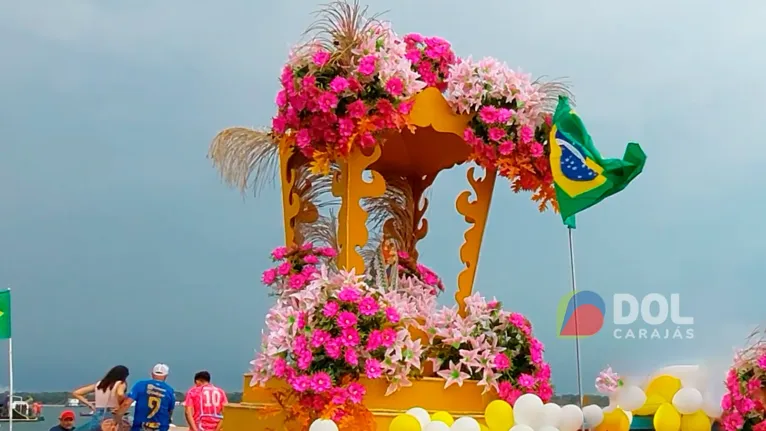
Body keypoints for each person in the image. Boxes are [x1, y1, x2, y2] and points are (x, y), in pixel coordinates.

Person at [72, 365, 131, 431]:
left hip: (97, 414)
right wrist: (120, 404)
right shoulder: (120, 383)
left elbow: (76, 393)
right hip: (112, 414)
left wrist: (89, 404)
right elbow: (120, 394)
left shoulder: (99, 384)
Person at [119, 363, 175, 431]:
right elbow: (170, 411)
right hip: (160, 427)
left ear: (152, 374)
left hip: (140, 427)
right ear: (166, 376)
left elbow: (126, 403)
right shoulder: (170, 390)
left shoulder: (140, 385)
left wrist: (116, 419)